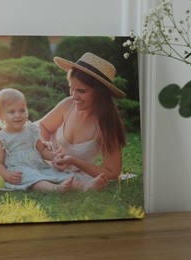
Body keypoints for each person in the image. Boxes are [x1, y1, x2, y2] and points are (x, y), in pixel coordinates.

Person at [0, 88, 108, 192]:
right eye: (11, 112)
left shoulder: (31, 130)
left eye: (22, 110)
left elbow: (41, 150)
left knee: (57, 173)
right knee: (36, 180)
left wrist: (53, 156)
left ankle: (84, 186)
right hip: (18, 171)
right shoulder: (1, 138)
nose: (18, 115)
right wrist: (7, 175)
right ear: (0, 115)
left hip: (37, 166)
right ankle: (55, 189)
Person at [38, 52, 127, 182]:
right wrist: (46, 142)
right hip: (44, 158)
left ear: (100, 93)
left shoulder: (105, 125)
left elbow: (112, 172)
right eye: (71, 89)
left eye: (81, 91)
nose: (74, 96)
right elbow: (42, 126)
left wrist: (74, 161)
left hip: (69, 172)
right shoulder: (68, 105)